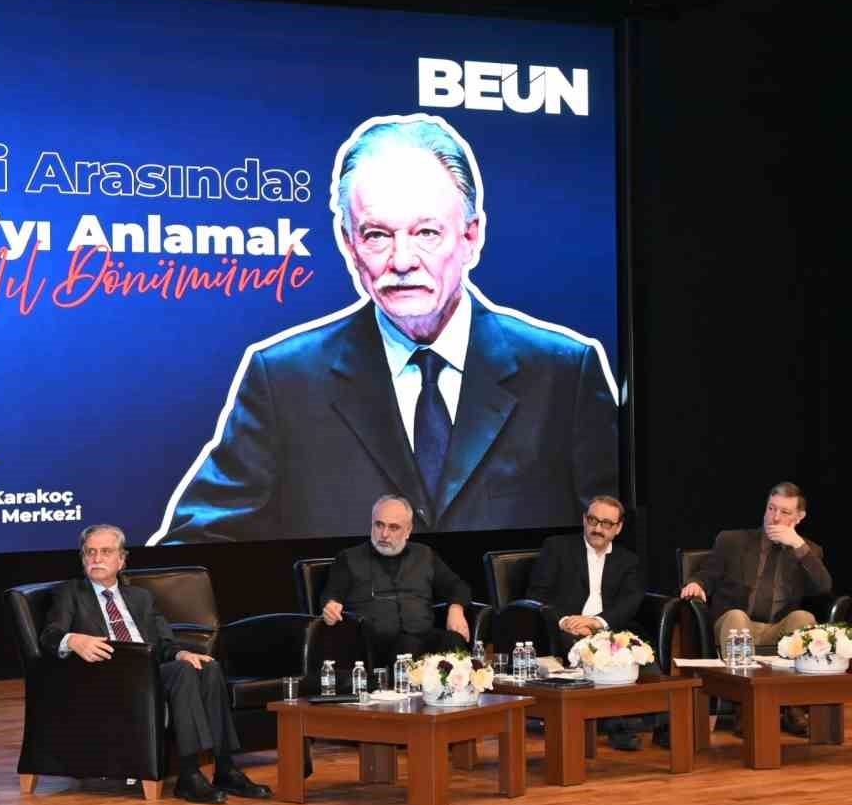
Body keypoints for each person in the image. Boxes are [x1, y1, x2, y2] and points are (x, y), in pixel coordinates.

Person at [153, 114, 617, 544]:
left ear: (472, 236)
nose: (401, 261)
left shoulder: (564, 372)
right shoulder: (283, 379)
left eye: (426, 233)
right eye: (377, 234)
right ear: (349, 244)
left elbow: (614, 538)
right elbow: (193, 552)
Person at [37, 524, 272, 805]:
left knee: (206, 666)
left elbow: (163, 644)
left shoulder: (140, 597)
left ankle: (226, 768)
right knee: (184, 672)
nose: (96, 558)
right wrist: (74, 640)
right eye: (90, 552)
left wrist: (180, 654)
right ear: (83, 558)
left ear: (121, 560)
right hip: (107, 677)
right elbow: (49, 636)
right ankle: (188, 775)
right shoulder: (70, 593)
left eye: (106, 552)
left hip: (148, 672)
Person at [681, 482, 830, 734]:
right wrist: (695, 583)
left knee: (804, 618)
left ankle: (792, 707)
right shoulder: (732, 540)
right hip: (735, 624)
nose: (775, 517)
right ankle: (744, 708)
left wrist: (798, 546)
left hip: (776, 628)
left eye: (784, 512)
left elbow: (824, 587)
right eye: (771, 508)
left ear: (799, 517)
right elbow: (708, 573)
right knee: (738, 619)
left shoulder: (808, 551)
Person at [528, 495, 647, 749]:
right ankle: (618, 728)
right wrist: (567, 621)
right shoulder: (557, 548)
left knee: (642, 656)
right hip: (567, 630)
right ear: (584, 520)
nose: (597, 529)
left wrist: (596, 622)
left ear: (618, 528)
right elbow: (538, 595)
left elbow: (631, 600)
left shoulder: (629, 560)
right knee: (584, 648)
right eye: (593, 520)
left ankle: (664, 726)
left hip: (608, 628)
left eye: (606, 523)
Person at [317, 495, 473, 664]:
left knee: (454, 643)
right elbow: (331, 594)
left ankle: (461, 689)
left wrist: (456, 609)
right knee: (408, 647)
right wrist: (330, 606)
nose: (384, 534)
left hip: (423, 637)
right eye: (379, 525)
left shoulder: (425, 555)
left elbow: (457, 586)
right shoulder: (348, 559)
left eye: (394, 527)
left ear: (408, 531)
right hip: (376, 645)